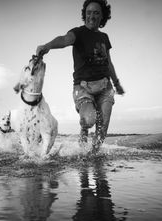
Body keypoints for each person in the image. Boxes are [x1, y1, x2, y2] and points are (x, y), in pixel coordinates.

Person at [36, 0, 124, 153]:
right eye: (88, 12)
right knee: (90, 120)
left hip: (105, 86)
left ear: (102, 15)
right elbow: (64, 40)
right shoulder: (78, 33)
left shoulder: (104, 37)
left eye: (96, 12)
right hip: (83, 88)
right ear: (84, 14)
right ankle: (84, 129)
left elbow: (108, 63)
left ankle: (92, 157)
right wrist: (47, 46)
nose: (92, 16)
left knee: (102, 131)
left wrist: (116, 83)